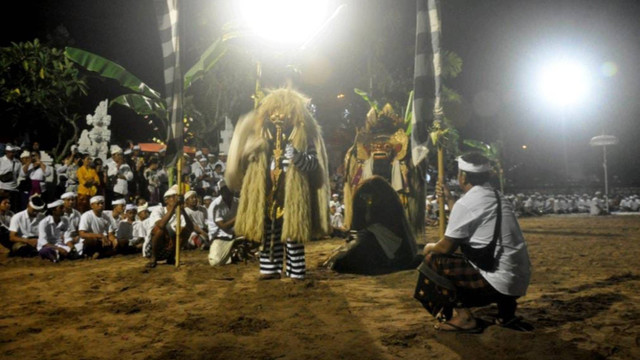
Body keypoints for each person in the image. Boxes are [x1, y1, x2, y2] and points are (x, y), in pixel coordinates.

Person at [417, 153, 531, 332]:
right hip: (517, 281)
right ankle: (507, 314)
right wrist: (448, 196)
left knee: (433, 259)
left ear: (463, 176)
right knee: (501, 258)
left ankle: (464, 317)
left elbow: (446, 247)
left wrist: (428, 247)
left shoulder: (467, 203)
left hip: (496, 283)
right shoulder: (497, 196)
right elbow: (467, 216)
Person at [225, 88, 331, 280]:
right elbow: (244, 161)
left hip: (293, 198)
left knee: (292, 235)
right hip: (267, 195)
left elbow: (313, 164)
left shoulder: (304, 137)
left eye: (284, 113)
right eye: (274, 112)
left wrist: (297, 157)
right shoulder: (261, 139)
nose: (279, 117)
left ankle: (295, 270)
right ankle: (270, 268)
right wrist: (253, 150)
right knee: (269, 234)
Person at [146, 185, 194, 268]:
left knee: (186, 231)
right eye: (173, 197)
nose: (176, 199)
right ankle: (153, 258)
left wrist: (183, 210)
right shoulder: (158, 210)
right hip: (153, 249)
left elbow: (190, 228)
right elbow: (161, 224)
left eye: (177, 197)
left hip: (169, 248)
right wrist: (174, 206)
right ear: (166, 200)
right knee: (159, 230)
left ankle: (171, 257)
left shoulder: (179, 212)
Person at [207, 179, 238, 266]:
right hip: (220, 237)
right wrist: (238, 217)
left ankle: (234, 250)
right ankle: (232, 251)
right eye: (226, 189)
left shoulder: (237, 201)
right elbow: (224, 226)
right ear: (221, 191)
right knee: (215, 262)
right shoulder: (216, 205)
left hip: (235, 234)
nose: (229, 191)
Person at [0, 145, 22, 212]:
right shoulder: (1, 160)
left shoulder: (18, 162)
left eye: (13, 152)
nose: (11, 154)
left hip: (13, 189)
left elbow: (19, 175)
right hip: (2, 188)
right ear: (6, 152)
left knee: (12, 209)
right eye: (9, 152)